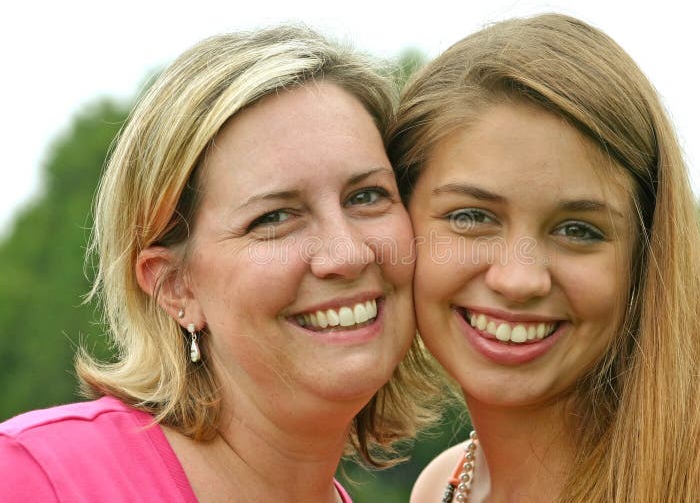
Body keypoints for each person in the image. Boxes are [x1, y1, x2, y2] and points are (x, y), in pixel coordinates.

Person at [0, 25, 436, 502]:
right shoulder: (38, 477)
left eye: (366, 196)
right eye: (275, 217)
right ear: (175, 286)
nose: (347, 254)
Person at [388, 13, 700, 502]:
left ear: (644, 259)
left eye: (577, 230)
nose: (519, 280)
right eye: (472, 217)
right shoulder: (442, 486)